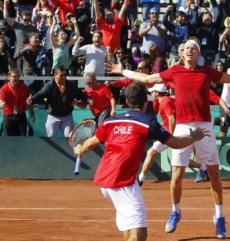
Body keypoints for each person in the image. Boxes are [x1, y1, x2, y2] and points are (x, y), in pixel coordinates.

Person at [107, 39, 230, 239]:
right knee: (177, 175)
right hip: (182, 127)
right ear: (182, 53)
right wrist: (124, 71)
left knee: (214, 174)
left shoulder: (207, 70)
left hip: (205, 126)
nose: (190, 50)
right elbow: (148, 80)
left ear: (198, 54)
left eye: (194, 48)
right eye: (187, 48)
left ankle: (219, 216)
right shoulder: (174, 71)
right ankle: (175, 211)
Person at [73, 82, 210, 241]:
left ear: (127, 102)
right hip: (122, 182)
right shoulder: (148, 122)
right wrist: (195, 137)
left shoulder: (110, 121)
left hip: (105, 181)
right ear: (146, 102)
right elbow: (175, 143)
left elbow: (93, 141)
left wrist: (80, 150)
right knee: (139, 234)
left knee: (129, 226)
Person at [137, 83, 208, 186]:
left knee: (162, 155)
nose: (151, 93)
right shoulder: (168, 99)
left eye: (152, 91)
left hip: (175, 133)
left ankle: (203, 167)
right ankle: (140, 178)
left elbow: (172, 118)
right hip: (178, 130)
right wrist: (163, 126)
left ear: (157, 93)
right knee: (154, 153)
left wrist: (171, 136)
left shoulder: (165, 101)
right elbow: (169, 118)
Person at [26, 66, 88, 137]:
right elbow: (40, 94)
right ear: (55, 75)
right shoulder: (49, 86)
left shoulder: (71, 85)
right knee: (50, 138)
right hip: (52, 117)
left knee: (70, 138)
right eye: (61, 75)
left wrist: (88, 99)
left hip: (67, 117)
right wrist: (32, 100)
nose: (64, 77)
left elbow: (81, 94)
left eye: (65, 75)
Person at [0, 68, 35, 136]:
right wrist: (1, 105)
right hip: (8, 116)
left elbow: (29, 101)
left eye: (18, 76)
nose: (17, 78)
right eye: (14, 76)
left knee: (23, 136)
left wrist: (32, 113)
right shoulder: (4, 89)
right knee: (7, 138)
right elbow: (1, 102)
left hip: (21, 115)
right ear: (9, 77)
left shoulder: (24, 87)